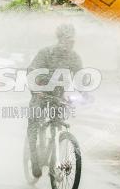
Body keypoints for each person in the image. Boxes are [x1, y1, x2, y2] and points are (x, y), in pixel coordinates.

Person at [26, 23, 83, 178]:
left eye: (72, 39)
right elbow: (31, 72)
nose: (70, 42)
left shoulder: (74, 57)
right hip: (40, 94)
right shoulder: (46, 53)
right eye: (67, 39)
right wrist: (36, 91)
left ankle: (55, 149)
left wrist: (84, 94)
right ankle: (34, 159)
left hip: (59, 97)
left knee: (58, 123)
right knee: (34, 124)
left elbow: (80, 78)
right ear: (60, 39)